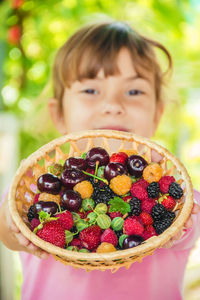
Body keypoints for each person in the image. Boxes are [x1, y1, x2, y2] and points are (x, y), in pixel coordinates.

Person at [0, 20, 200, 300]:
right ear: (59, 115)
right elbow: (7, 228)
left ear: (157, 114)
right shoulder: (37, 188)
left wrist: (177, 223)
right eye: (91, 90)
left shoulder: (175, 194)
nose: (113, 106)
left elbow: (190, 227)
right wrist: (15, 230)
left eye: (134, 91)